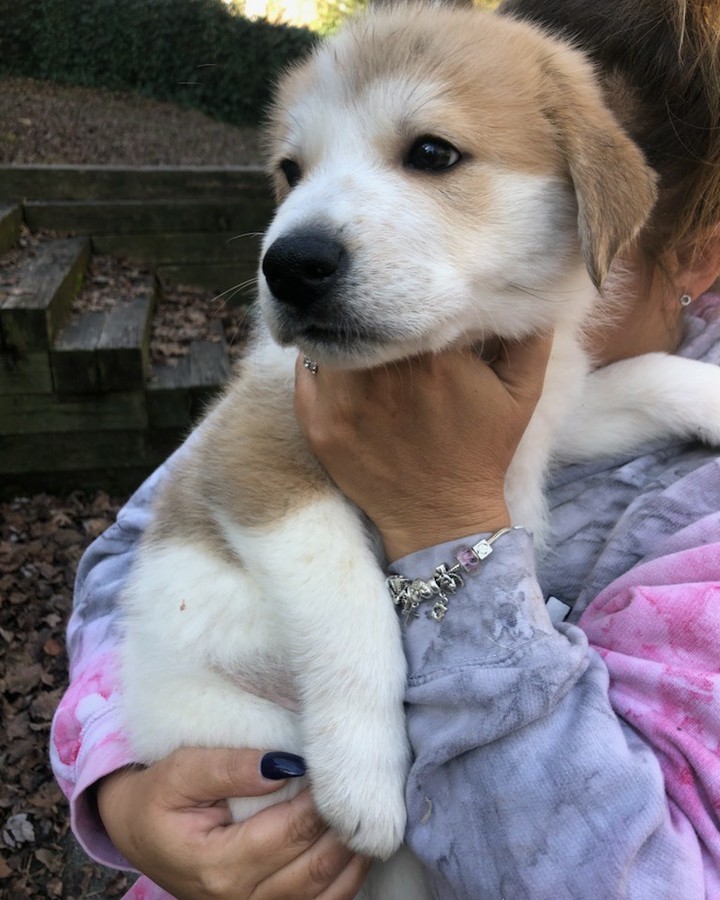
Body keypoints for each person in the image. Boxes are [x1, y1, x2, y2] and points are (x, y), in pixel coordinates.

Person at [50, 0, 720, 896]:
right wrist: (121, 785)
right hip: (243, 749)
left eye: (432, 153)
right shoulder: (335, 379)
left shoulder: (689, 523)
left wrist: (444, 522)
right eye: (297, 167)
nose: (298, 233)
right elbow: (131, 554)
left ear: (607, 200)